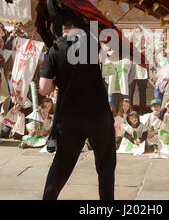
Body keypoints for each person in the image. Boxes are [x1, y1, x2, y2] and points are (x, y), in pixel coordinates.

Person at [39, 21, 116, 200]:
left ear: (62, 28)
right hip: (98, 115)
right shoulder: (92, 43)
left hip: (69, 118)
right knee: (105, 166)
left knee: (61, 164)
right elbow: (107, 64)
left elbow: (44, 88)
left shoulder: (54, 50)